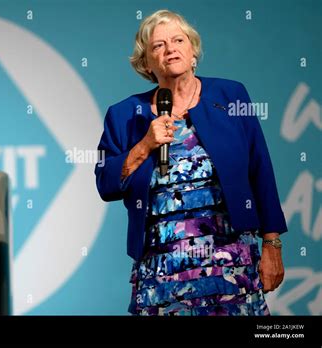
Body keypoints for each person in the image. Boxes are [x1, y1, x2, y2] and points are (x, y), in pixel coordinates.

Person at [94, 9, 288, 316]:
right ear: (146, 63)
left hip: (231, 266)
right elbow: (106, 184)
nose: (170, 49)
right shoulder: (124, 115)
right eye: (158, 45)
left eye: (178, 40)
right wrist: (144, 145)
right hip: (162, 273)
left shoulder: (230, 95)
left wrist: (272, 245)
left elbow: (260, 170)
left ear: (192, 49)